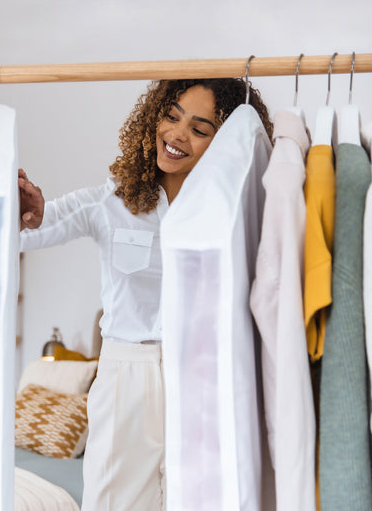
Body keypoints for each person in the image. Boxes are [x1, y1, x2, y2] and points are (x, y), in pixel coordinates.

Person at [18, 78, 272, 511]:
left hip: (200, 373)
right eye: (171, 116)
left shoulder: (232, 212)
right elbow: (35, 229)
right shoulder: (111, 202)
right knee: (114, 500)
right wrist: (33, 215)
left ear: (223, 141)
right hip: (126, 377)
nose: (176, 135)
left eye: (199, 128)